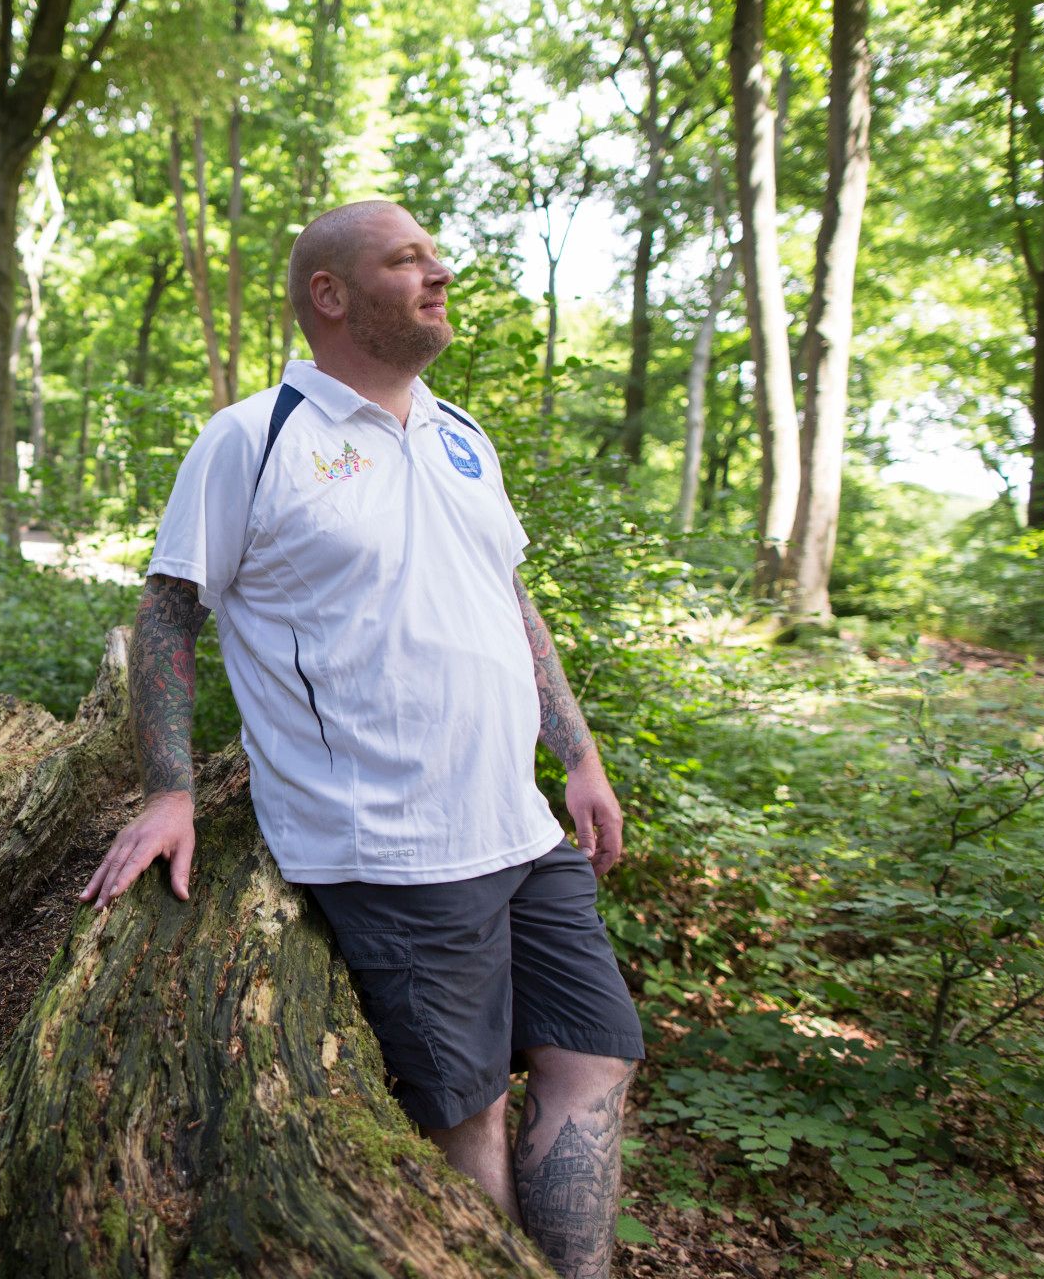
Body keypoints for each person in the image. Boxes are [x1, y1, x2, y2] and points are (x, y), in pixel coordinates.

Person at [78, 199, 646, 1279]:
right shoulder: (254, 439)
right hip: (389, 845)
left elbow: (511, 602)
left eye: (436, 253)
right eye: (408, 259)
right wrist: (170, 788)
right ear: (329, 295)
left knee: (597, 1054)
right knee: (466, 1114)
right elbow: (167, 612)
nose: (440, 272)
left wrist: (578, 755)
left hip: (518, 829)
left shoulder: (460, 432)